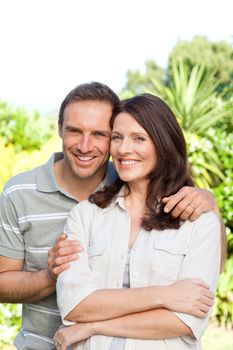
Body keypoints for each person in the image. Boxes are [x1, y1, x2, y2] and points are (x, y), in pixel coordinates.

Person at [0, 83, 224, 350]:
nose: (85, 145)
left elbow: (190, 313)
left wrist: (211, 204)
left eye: (100, 134)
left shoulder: (185, 208)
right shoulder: (56, 204)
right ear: (59, 128)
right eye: (74, 131)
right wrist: (54, 276)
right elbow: (71, 304)